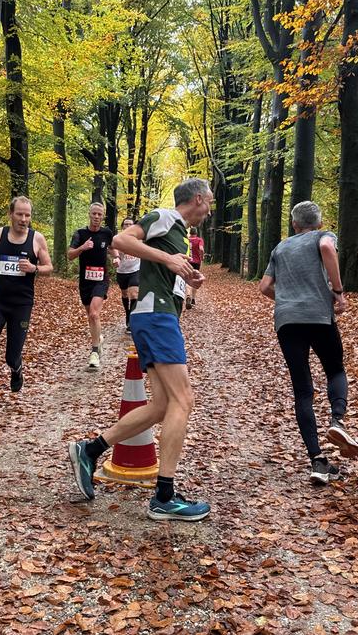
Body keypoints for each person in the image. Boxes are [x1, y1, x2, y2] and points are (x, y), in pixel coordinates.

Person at [67, 178, 213, 522]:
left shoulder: (179, 233)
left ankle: (90, 450)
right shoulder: (165, 216)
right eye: (208, 201)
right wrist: (169, 259)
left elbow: (162, 268)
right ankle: (164, 495)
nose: (209, 209)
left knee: (163, 405)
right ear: (196, 198)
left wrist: (186, 277)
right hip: (156, 317)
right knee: (184, 400)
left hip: (158, 317)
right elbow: (121, 240)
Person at [258, 200, 358, 485]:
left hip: (287, 321)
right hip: (318, 315)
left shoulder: (280, 247)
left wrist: (287, 301)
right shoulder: (323, 236)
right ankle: (337, 421)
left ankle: (317, 462)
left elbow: (265, 287)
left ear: (294, 224)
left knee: (302, 390)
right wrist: (337, 292)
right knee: (335, 370)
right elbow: (328, 250)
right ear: (318, 222)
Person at [0, 196, 53, 425]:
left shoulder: (37, 239)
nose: (24, 219)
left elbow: (49, 267)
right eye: (20, 214)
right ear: (11, 214)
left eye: (27, 215)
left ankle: (17, 368)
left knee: (11, 357)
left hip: (22, 305)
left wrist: (34, 268)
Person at [67, 203, 119, 369]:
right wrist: (82, 247)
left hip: (101, 280)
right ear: (89, 214)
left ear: (103, 216)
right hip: (85, 281)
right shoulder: (80, 233)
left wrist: (116, 257)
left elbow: (112, 248)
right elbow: (70, 255)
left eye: (100, 214)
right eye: (94, 214)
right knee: (90, 315)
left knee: (95, 314)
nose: (97, 217)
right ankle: (99, 339)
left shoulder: (106, 233)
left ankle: (95, 352)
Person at [115, 217, 141, 332]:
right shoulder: (118, 239)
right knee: (125, 294)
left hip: (135, 270)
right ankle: (127, 313)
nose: (128, 226)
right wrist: (116, 258)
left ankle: (132, 320)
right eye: (126, 224)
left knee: (134, 294)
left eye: (130, 224)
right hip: (122, 271)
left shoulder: (139, 239)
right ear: (122, 226)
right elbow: (112, 250)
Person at [187, 226, 204, 308]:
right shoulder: (199, 240)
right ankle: (193, 299)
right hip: (196, 262)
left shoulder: (186, 240)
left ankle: (188, 296)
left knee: (188, 278)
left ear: (190, 233)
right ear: (196, 233)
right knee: (195, 279)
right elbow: (201, 249)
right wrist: (202, 257)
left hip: (188, 261)